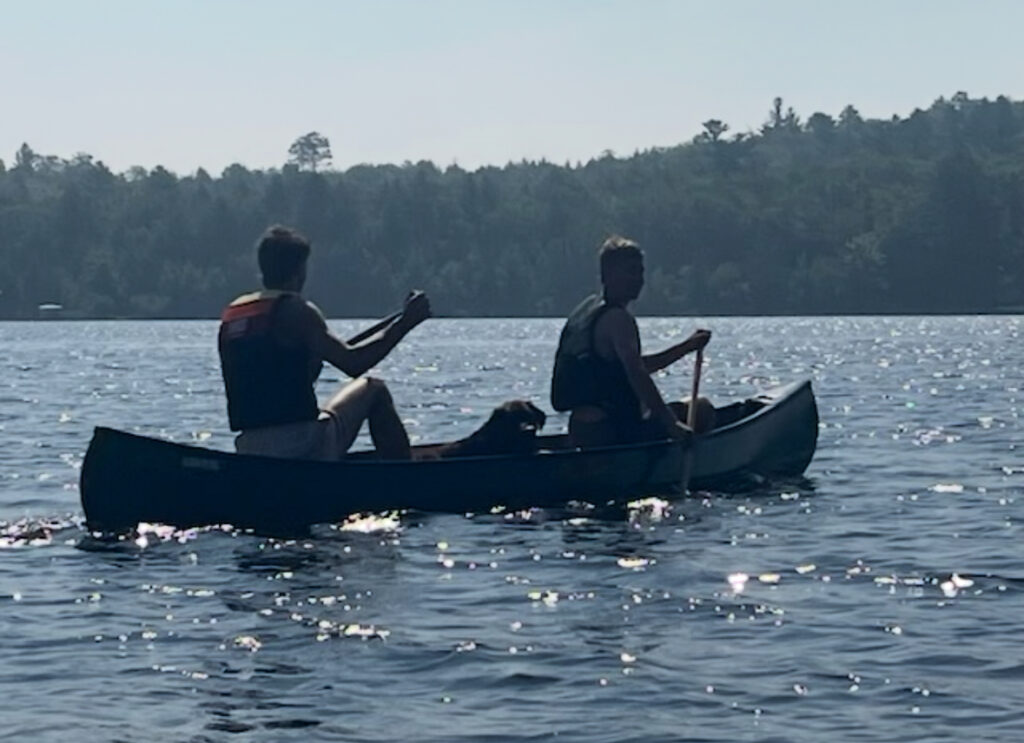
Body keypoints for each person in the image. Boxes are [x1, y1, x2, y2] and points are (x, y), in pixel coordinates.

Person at [218, 225, 431, 460]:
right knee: (374, 388)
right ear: (299, 271)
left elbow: (270, 383)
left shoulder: (233, 315)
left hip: (249, 447)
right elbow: (354, 363)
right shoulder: (297, 310)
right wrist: (405, 324)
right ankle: (404, 478)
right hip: (301, 445)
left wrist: (311, 363)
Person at [551, 235, 714, 447]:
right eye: (630, 271)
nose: (638, 279)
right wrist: (671, 424)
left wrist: (686, 347)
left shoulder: (590, 310)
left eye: (640, 271)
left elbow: (633, 366)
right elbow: (637, 374)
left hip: (582, 429)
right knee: (702, 409)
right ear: (608, 275)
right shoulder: (619, 319)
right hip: (610, 430)